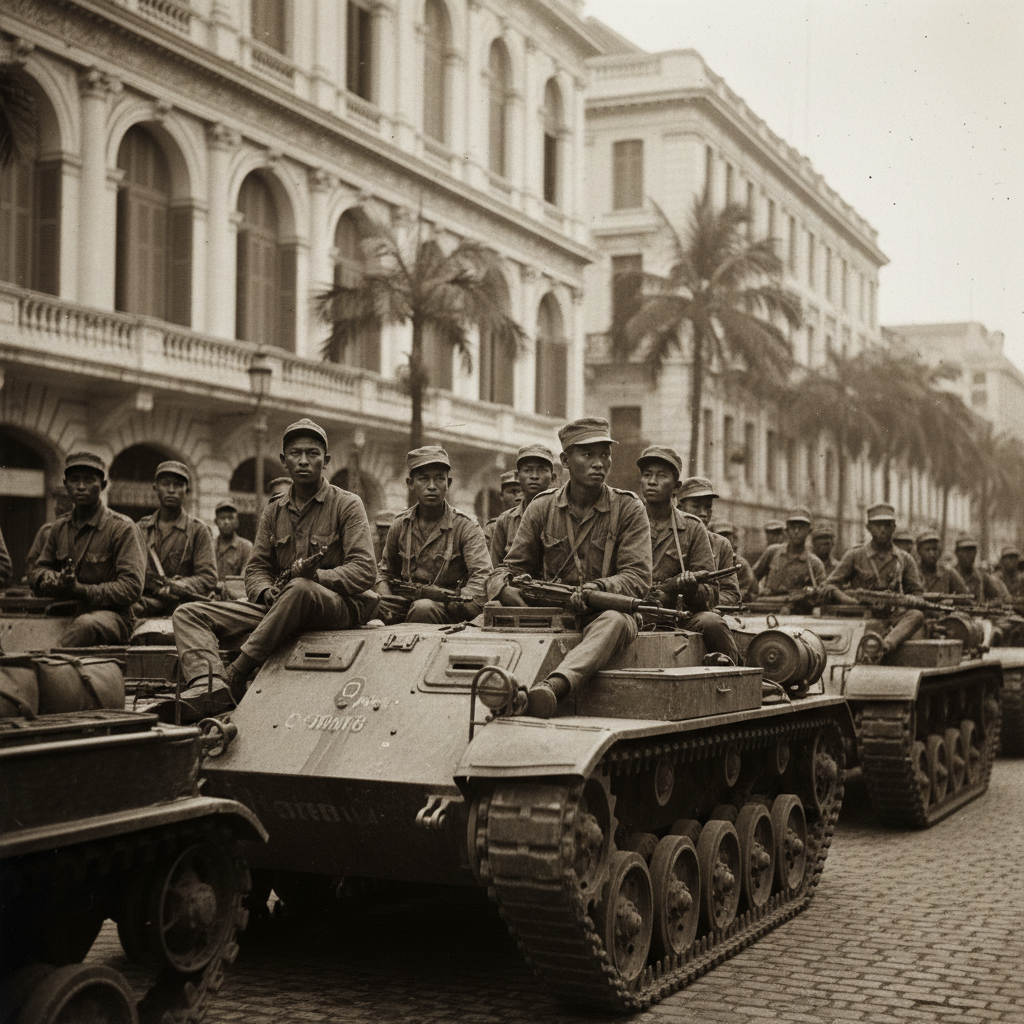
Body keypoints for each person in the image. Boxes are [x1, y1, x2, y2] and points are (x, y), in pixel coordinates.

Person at [164, 419, 377, 722]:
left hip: (335, 607)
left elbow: (365, 570)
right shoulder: (274, 510)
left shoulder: (347, 504)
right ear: (283, 461)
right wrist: (265, 591)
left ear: (326, 461)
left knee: (300, 589)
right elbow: (257, 567)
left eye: (313, 454)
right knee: (187, 613)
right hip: (280, 605)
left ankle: (237, 671)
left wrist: (317, 577)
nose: (304, 461)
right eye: (295, 454)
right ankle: (209, 684)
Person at [489, 417, 652, 718]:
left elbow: (638, 578)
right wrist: (505, 589)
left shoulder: (628, 508)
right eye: (587, 455)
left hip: (605, 616)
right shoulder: (541, 508)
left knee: (615, 621)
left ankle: (553, 689)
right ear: (565, 460)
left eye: (604, 454)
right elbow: (506, 569)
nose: (599, 463)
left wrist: (599, 588)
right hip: (551, 619)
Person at [28, 453, 145, 646]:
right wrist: (48, 578)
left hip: (115, 617)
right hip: (65, 611)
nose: (81, 486)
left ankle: (48, 662)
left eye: (89, 480)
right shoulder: (60, 528)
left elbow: (132, 588)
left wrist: (82, 590)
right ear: (66, 485)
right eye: (74, 480)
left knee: (85, 625)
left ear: (103, 486)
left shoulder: (122, 528)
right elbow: (36, 570)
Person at [639, 447, 738, 663]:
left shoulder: (693, 528)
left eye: (661, 475)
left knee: (712, 623)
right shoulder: (626, 521)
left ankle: (734, 676)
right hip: (631, 611)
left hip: (678, 618)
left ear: (676, 488)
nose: (652, 481)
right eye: (647, 475)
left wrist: (689, 589)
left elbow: (712, 593)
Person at [375, 446, 491, 625]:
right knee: (366, 603)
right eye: (423, 479)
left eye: (439, 479)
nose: (432, 486)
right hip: (405, 604)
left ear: (448, 483)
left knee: (423, 608)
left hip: (449, 611)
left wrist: (448, 599)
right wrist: (387, 597)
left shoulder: (466, 527)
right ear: (410, 484)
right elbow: (384, 571)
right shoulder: (400, 524)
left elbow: (482, 578)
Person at [820, 503, 926, 657]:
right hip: (860, 616)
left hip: (892, 617)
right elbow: (829, 586)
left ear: (893, 527)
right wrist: (853, 602)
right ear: (868, 527)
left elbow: (918, 594)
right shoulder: (855, 555)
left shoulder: (905, 559)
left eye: (887, 525)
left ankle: (884, 647)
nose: (882, 529)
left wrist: (902, 602)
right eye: (877, 525)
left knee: (917, 615)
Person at [134, 461, 218, 617]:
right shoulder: (140, 529)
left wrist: (179, 585)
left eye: (178, 485)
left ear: (187, 490)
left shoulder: (198, 530)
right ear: (155, 488)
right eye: (165, 484)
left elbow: (208, 577)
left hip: (182, 606)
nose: (171, 490)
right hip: (145, 604)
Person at [676, 478, 742, 607]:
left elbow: (731, 594)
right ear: (679, 508)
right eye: (696, 506)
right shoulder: (666, 539)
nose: (703, 513)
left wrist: (706, 604)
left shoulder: (721, 545)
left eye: (708, 507)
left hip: (704, 616)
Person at [489, 445, 556, 565]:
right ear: (518, 477)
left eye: (542, 470)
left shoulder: (565, 514)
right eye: (527, 470)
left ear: (552, 477)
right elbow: (494, 568)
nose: (534, 476)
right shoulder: (505, 521)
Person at [751, 508, 826, 596]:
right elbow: (752, 577)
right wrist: (755, 593)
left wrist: (809, 593)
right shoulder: (773, 552)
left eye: (801, 527)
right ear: (787, 530)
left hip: (796, 608)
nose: (796, 531)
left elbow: (822, 593)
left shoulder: (815, 564)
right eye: (793, 527)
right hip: (767, 604)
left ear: (809, 531)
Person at [954, 537, 1011, 604]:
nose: (969, 555)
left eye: (972, 551)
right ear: (957, 553)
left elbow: (997, 597)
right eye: (965, 551)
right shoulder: (950, 575)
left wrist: (987, 605)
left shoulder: (982, 576)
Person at [709, 522, 756, 600]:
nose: (724, 540)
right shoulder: (707, 561)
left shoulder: (741, 564)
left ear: (734, 539)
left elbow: (744, 591)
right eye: (720, 536)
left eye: (728, 536)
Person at [916, 531, 967, 595]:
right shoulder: (913, 573)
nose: (932, 554)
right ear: (919, 551)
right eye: (927, 549)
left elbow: (965, 597)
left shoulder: (948, 573)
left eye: (934, 549)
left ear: (940, 551)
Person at [213, 499, 253, 580]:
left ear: (237, 522)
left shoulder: (246, 547)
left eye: (230, 518)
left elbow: (244, 579)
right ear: (216, 521)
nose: (226, 522)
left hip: (234, 592)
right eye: (222, 518)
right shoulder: (210, 546)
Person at [484, 470, 523, 547]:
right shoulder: (493, 529)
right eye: (512, 491)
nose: (518, 495)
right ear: (501, 496)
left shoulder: (537, 524)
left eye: (522, 491)